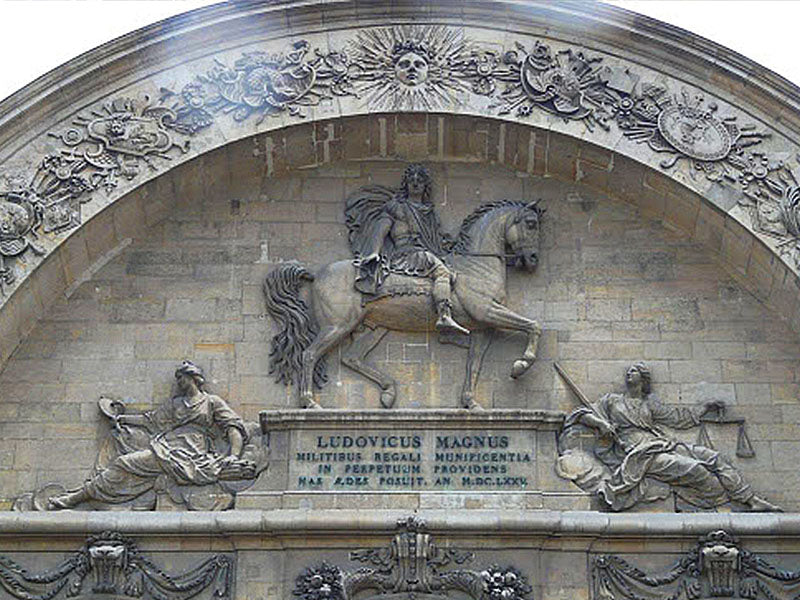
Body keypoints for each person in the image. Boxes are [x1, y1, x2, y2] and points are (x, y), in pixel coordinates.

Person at [557, 362, 780, 512]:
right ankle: (717, 505)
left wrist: (704, 409)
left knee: (714, 457)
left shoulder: (649, 403)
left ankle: (750, 500)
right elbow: (582, 413)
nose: (629, 373)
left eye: (634, 371)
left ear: (643, 379)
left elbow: (676, 418)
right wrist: (602, 424)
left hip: (660, 443)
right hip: (637, 452)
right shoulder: (612, 401)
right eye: (628, 371)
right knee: (696, 470)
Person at [48, 361, 256, 509]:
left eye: (181, 377)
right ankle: (82, 496)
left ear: (192, 378)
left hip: (191, 454)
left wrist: (233, 456)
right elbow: (150, 420)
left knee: (122, 464)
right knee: (123, 463)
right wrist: (123, 419)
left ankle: (76, 497)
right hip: (166, 449)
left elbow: (233, 428)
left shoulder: (211, 402)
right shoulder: (175, 404)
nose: (178, 382)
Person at [351, 163, 469, 335]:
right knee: (442, 272)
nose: (415, 183)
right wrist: (374, 252)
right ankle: (444, 314)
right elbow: (381, 228)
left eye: (419, 180)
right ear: (405, 184)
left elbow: (435, 241)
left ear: (425, 186)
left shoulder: (428, 213)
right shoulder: (396, 207)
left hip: (422, 253)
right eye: (411, 180)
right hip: (405, 254)